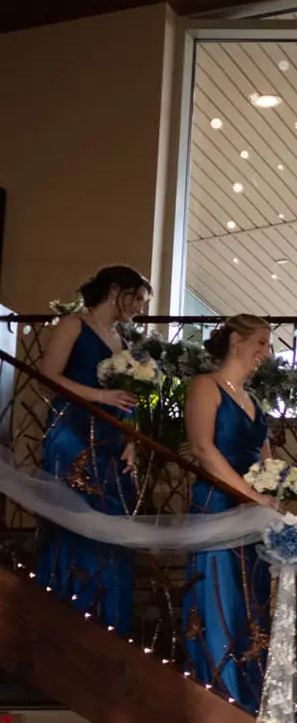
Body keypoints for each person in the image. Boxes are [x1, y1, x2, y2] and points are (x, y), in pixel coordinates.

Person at [34, 266, 149, 634]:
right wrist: (101, 395)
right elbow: (47, 376)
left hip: (111, 441)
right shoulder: (73, 325)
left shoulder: (123, 341)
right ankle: (66, 622)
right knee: (75, 522)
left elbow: (129, 399)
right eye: (138, 300)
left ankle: (109, 625)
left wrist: (131, 440)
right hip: (73, 432)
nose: (141, 310)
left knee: (110, 529)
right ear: (115, 290)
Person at [181, 314, 277, 714]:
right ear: (236, 340)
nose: (264, 353)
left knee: (250, 605)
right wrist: (250, 495)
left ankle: (249, 701)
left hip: (252, 518)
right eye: (260, 343)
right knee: (220, 599)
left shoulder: (253, 401)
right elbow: (204, 450)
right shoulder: (206, 386)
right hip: (218, 507)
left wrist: (273, 495)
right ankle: (220, 695)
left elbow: (267, 461)